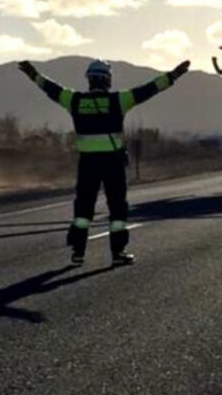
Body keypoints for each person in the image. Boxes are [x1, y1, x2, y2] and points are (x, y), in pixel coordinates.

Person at [19, 58, 190, 266]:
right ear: (108, 80)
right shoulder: (119, 100)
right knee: (117, 208)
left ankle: (78, 253)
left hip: (87, 164)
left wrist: (32, 73)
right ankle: (118, 253)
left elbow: (51, 89)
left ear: (89, 80)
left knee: (83, 210)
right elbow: (149, 90)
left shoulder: (74, 100)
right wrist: (174, 75)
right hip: (113, 163)